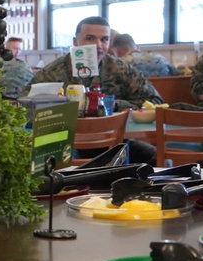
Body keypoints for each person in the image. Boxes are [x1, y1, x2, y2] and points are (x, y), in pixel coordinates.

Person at [28, 16, 161, 164]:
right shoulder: (53, 72)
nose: (98, 45)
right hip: (66, 143)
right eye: (90, 38)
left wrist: (116, 105)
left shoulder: (120, 69)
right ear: (75, 42)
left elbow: (155, 101)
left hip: (112, 142)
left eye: (104, 40)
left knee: (156, 157)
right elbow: (26, 107)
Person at [111, 33, 179, 78]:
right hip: (164, 98)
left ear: (117, 51)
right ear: (138, 47)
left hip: (136, 99)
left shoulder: (120, 65)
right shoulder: (160, 59)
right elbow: (176, 74)